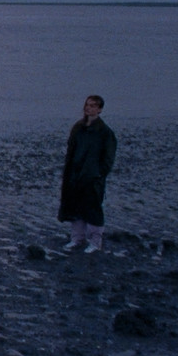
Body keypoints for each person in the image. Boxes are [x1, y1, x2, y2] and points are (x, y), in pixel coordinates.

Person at [58, 96, 117, 253]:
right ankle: (77, 239)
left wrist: (98, 175)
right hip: (75, 174)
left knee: (93, 209)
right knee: (75, 207)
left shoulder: (105, 132)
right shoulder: (78, 127)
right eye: (87, 105)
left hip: (92, 177)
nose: (89, 108)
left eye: (93, 106)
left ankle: (95, 242)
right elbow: (71, 150)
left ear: (100, 109)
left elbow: (108, 158)